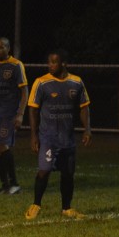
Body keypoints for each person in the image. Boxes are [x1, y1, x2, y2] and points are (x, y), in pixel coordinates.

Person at [25, 49, 91, 220]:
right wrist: (33, 135)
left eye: (54, 62)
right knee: (44, 170)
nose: (50, 65)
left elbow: (84, 107)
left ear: (64, 63)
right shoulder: (41, 83)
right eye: (49, 62)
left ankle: (66, 208)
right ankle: (36, 204)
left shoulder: (76, 82)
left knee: (68, 174)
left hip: (67, 138)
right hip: (48, 137)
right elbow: (33, 110)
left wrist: (87, 129)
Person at [0, 37, 28, 194]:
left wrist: (20, 114)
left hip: (8, 113)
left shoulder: (16, 65)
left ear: (8, 49)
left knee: (3, 144)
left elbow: (24, 91)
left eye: (2, 47)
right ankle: (5, 185)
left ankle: (15, 184)